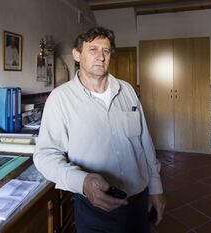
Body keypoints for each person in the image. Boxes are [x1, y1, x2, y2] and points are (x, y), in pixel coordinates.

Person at [33, 27, 166, 233]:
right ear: (77, 55)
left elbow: (145, 143)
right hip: (95, 207)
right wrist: (83, 182)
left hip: (138, 201)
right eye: (93, 49)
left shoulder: (127, 90)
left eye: (106, 50)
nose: (101, 57)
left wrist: (156, 189)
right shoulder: (60, 99)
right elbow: (45, 155)